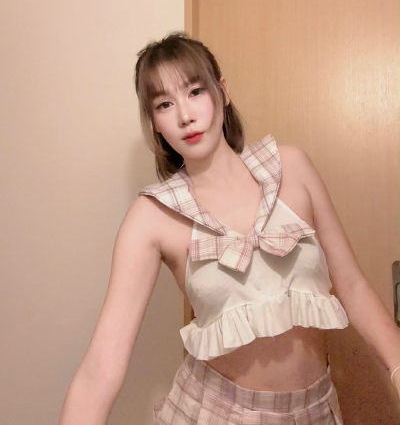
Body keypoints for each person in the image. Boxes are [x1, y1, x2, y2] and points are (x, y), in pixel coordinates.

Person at [58, 31, 400, 424]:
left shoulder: (292, 168)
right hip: (215, 412)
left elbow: (352, 286)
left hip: (317, 411)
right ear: (154, 123)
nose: (185, 116)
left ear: (222, 92)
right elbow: (100, 367)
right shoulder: (151, 216)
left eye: (195, 92)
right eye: (165, 104)